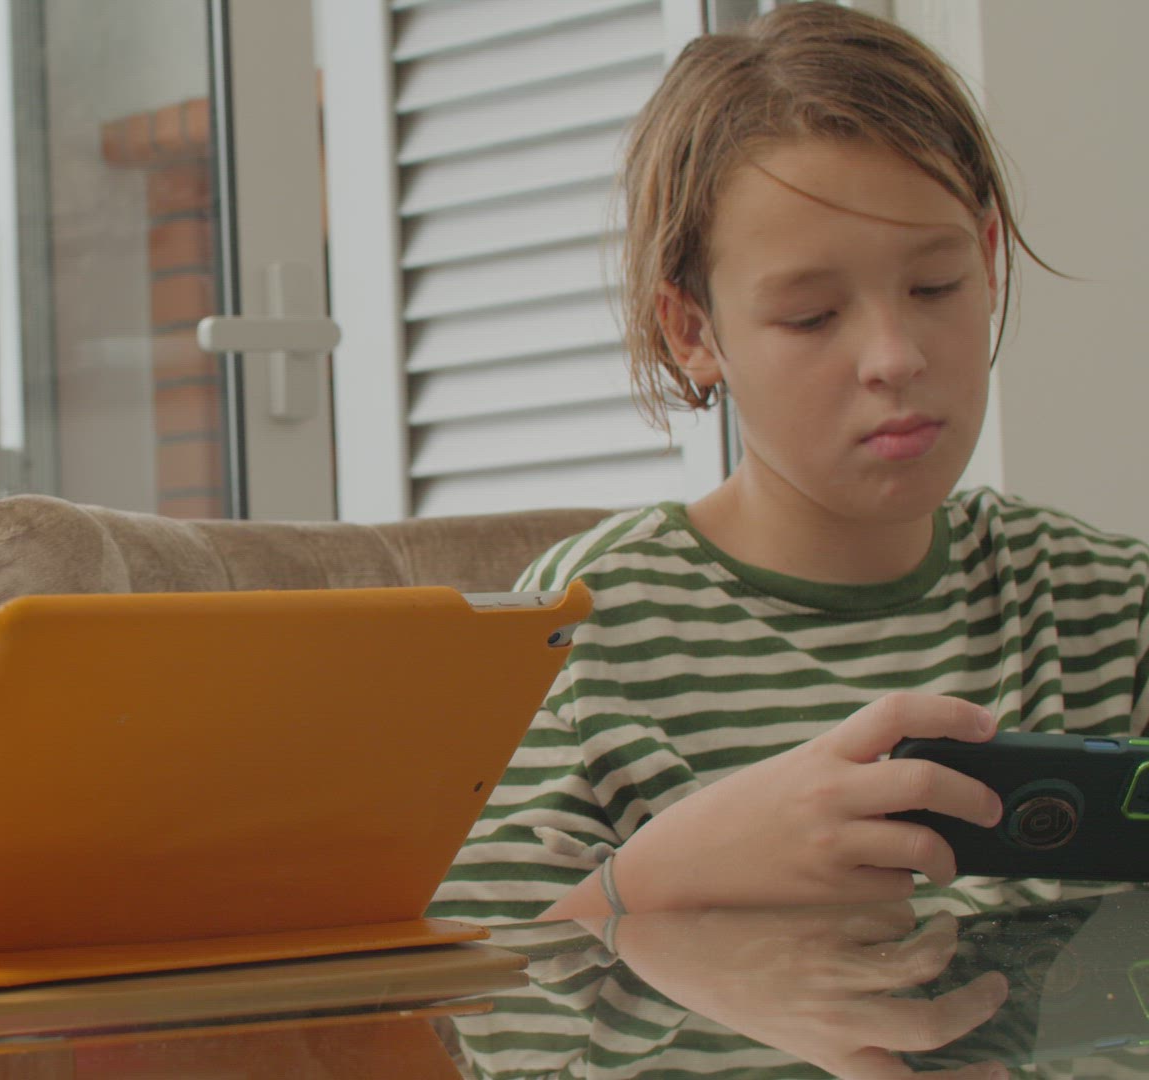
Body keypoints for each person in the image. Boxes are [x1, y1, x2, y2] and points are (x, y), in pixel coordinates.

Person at [430, 2, 1149, 928]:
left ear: (989, 260)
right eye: (812, 316)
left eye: (936, 286)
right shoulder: (582, 636)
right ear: (693, 331)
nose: (895, 356)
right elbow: (481, 994)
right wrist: (653, 882)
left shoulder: (1110, 612)